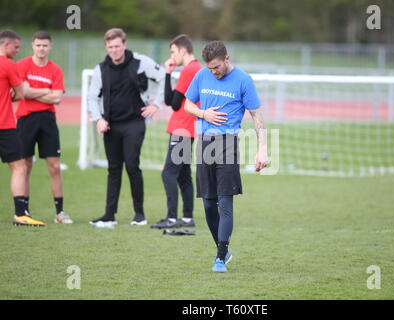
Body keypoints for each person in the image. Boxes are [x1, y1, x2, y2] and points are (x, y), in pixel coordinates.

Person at [184, 40, 269, 272]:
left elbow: (257, 116)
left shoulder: (243, 80)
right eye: (210, 68)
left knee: (224, 204)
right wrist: (203, 113)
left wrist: (263, 148)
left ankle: (220, 256)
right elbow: (187, 104)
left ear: (227, 59)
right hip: (204, 144)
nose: (213, 72)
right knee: (209, 205)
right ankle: (224, 249)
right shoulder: (202, 75)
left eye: (217, 67)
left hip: (228, 145)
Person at [87, 28, 165, 227]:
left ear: (124, 45)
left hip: (134, 123)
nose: (114, 50)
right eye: (110, 47)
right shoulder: (100, 69)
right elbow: (92, 97)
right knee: (113, 169)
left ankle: (139, 214)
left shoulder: (140, 62)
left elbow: (164, 77)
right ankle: (108, 215)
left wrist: (156, 105)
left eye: (117, 46)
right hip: (111, 125)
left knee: (131, 165)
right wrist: (99, 120)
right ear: (106, 47)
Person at [15, 30, 73, 224]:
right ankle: (24, 211)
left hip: (48, 120)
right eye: (38, 45)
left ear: (50, 47)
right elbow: (20, 92)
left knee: (54, 166)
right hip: (26, 119)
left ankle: (60, 212)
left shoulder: (55, 70)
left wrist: (32, 92)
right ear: (32, 45)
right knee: (24, 166)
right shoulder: (22, 65)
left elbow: (57, 97)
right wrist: (45, 91)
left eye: (45, 45)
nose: (41, 48)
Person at [150, 34, 202, 230]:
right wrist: (168, 73)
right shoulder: (195, 69)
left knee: (168, 174)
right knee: (183, 174)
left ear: (182, 50)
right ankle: (187, 217)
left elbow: (172, 103)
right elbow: (172, 100)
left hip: (182, 128)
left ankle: (171, 218)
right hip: (187, 128)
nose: (171, 56)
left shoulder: (190, 70)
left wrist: (167, 74)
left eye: (173, 52)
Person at [0, 29, 45, 226]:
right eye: (16, 47)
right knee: (19, 167)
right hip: (5, 125)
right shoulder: (8, 65)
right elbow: (20, 94)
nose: (18, 51)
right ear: (6, 45)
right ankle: (20, 214)